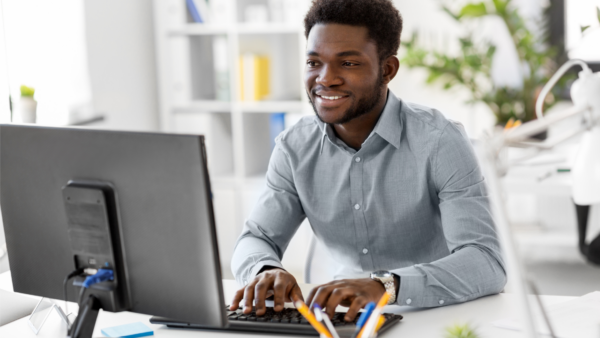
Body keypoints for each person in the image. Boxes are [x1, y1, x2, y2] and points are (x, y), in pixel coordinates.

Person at [229, 0, 506, 322]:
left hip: (434, 316)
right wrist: (264, 270)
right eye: (314, 62)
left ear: (387, 70)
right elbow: (256, 238)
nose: (325, 79)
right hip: (336, 321)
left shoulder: (440, 141)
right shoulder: (294, 147)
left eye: (348, 64)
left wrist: (385, 286)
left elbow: (486, 262)